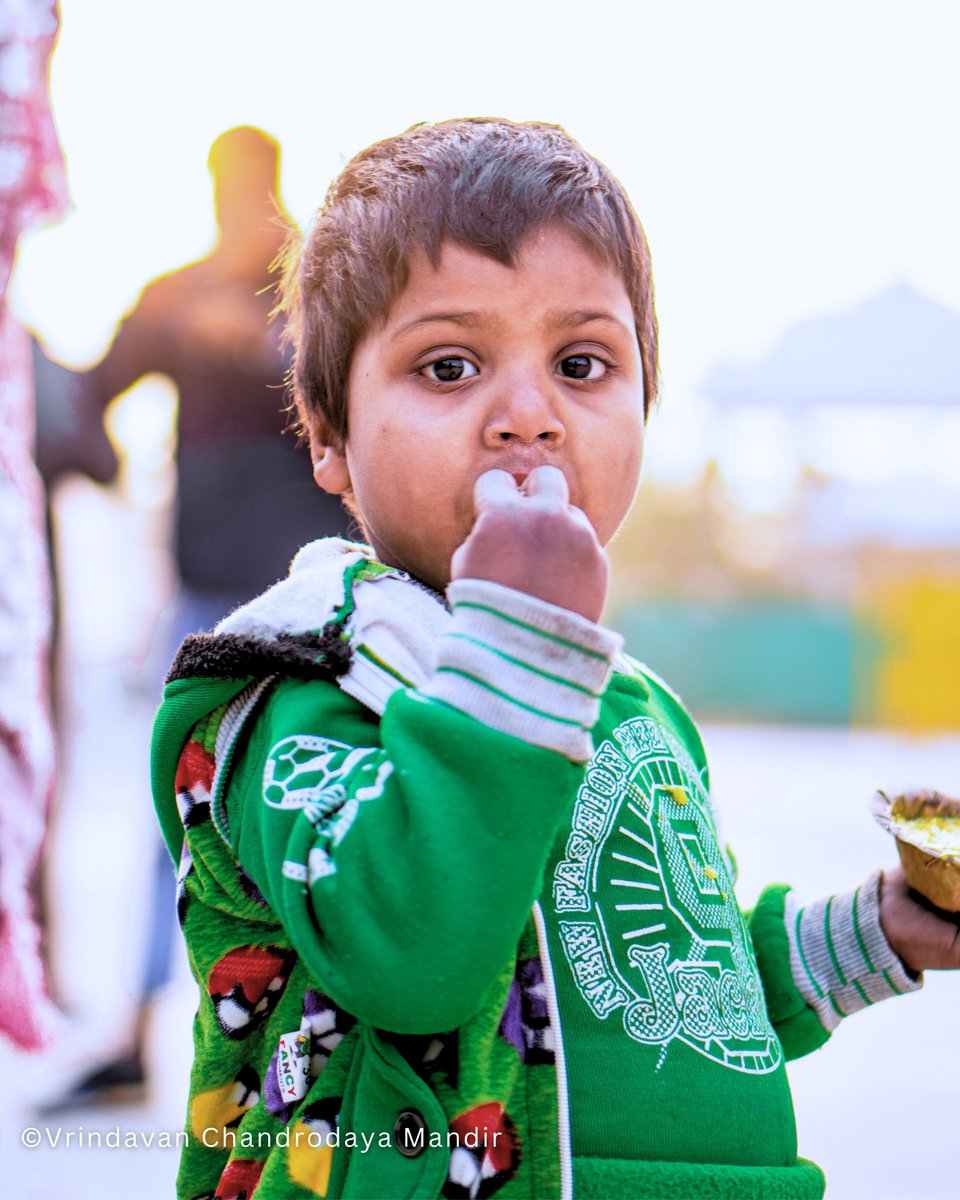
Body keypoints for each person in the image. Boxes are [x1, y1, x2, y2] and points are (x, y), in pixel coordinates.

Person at [150, 118, 958, 1200]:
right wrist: (522, 647)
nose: (527, 418)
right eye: (449, 366)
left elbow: (677, 997)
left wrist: (875, 933)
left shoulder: (628, 705)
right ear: (329, 434)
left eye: (583, 364)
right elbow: (413, 956)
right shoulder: (296, 690)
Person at [44, 126, 349, 1110]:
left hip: (321, 609)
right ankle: (138, 1040)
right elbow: (88, 401)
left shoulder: (325, 291)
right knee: (183, 819)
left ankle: (311, 1048)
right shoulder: (199, 299)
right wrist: (87, 452)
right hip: (224, 604)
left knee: (303, 810)